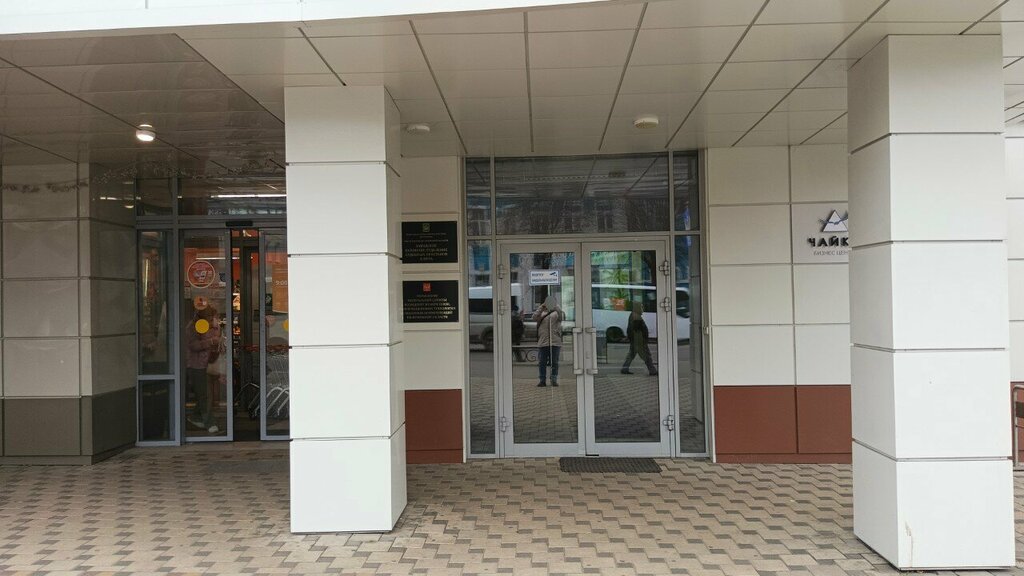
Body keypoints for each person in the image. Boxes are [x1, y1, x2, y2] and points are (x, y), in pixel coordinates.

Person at [185, 297, 222, 433]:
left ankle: (195, 417)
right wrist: (210, 342)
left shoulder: (212, 327)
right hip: (196, 365)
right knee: (204, 394)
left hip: (208, 364)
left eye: (213, 317)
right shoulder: (192, 327)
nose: (212, 320)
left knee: (206, 393)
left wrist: (216, 330)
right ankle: (209, 422)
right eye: (210, 317)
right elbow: (193, 345)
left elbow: (217, 340)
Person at [533, 294, 563, 387]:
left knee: (554, 362)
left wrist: (556, 306)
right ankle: (542, 380)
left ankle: (554, 380)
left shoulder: (557, 312)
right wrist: (541, 308)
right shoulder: (542, 312)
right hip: (543, 341)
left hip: (555, 341)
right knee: (542, 362)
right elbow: (534, 317)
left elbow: (562, 317)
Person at [621, 302, 658, 376]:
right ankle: (652, 371)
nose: (642, 309)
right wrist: (643, 340)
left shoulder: (634, 315)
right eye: (641, 307)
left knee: (631, 355)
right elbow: (637, 331)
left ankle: (624, 369)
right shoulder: (636, 317)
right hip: (639, 341)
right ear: (637, 308)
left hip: (636, 340)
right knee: (646, 356)